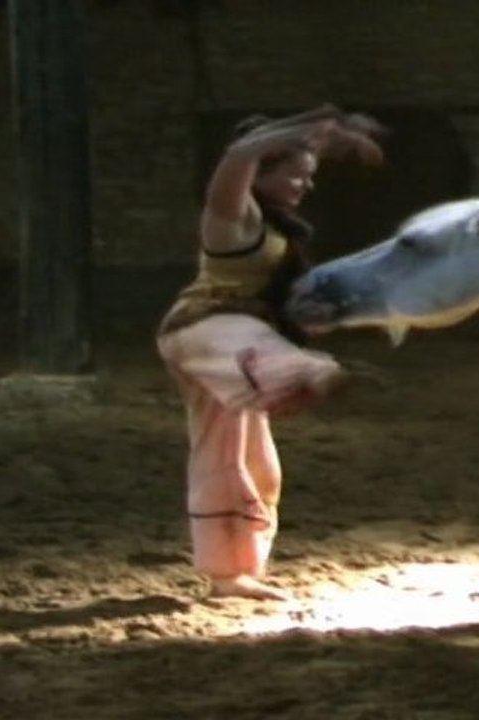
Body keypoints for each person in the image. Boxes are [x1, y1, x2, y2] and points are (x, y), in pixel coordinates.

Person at [156, 105, 386, 600]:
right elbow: (241, 151)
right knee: (259, 352)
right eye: (297, 176)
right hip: (206, 329)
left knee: (243, 456)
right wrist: (314, 126)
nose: (307, 186)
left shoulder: (278, 228)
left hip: (236, 340)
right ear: (263, 174)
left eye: (310, 176)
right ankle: (303, 375)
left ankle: (229, 573)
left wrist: (331, 132)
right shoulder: (231, 216)